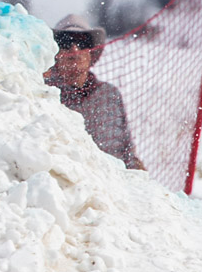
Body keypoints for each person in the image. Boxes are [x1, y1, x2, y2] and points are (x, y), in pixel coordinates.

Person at [43, 14, 144, 170]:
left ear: (92, 52)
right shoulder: (43, 94)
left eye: (82, 42)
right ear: (55, 53)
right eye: (66, 42)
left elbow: (127, 150)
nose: (74, 49)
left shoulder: (110, 94)